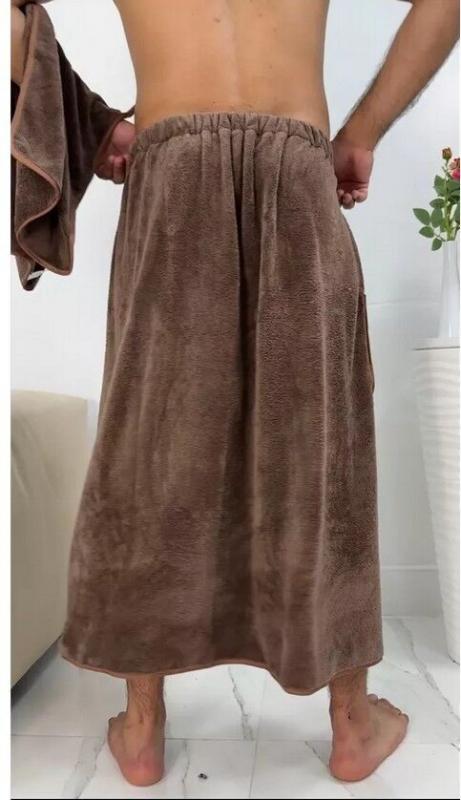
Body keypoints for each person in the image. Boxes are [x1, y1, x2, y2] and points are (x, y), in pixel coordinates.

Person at [11, 0, 459, 788]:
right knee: (321, 445)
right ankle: (351, 722)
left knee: (148, 448)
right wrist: (358, 133)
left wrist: (91, 121)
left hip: (170, 166)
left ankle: (141, 728)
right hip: (297, 164)